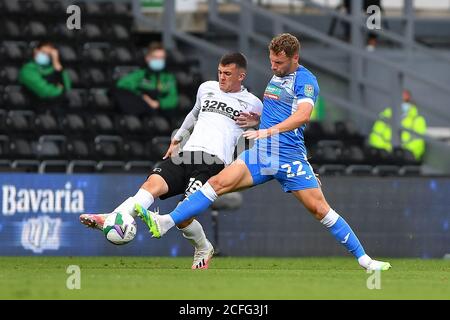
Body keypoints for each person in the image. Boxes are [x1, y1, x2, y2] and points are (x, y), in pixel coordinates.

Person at [136, 33, 392, 271]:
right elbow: (275, 113)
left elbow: (302, 116)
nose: (273, 66)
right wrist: (256, 123)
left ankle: (365, 260)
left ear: (295, 59)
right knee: (216, 183)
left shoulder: (306, 81)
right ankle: (165, 222)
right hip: (262, 153)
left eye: (279, 62)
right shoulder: (276, 76)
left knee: (320, 210)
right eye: (271, 61)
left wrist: (268, 133)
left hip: (289, 157)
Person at [80, 52, 263, 269]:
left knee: (184, 215)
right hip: (186, 153)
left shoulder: (253, 103)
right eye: (220, 72)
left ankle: (204, 247)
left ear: (241, 76)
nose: (222, 77)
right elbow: (194, 114)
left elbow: (268, 128)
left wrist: (257, 121)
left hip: (213, 162)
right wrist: (178, 138)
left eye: (228, 74)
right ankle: (114, 218)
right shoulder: (207, 88)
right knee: (151, 186)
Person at [112, 42, 179, 121]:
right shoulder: (140, 74)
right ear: (147, 58)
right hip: (142, 113)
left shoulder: (168, 77)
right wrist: (143, 95)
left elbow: (173, 99)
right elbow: (121, 84)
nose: (159, 60)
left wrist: (158, 104)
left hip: (163, 115)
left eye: (161, 58)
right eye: (155, 57)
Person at [369, 89, 427, 161]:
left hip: (406, 159)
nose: (403, 104)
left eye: (406, 101)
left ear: (411, 102)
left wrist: (402, 153)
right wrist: (387, 151)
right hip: (384, 157)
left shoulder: (418, 120)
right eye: (401, 101)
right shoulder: (384, 116)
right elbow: (375, 137)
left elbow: (418, 143)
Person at [18, 41, 71, 112]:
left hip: (56, 109)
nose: (45, 56)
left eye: (49, 54)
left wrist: (56, 64)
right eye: (43, 53)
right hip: (37, 110)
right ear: (36, 51)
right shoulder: (28, 70)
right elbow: (44, 91)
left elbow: (67, 87)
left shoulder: (54, 68)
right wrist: (60, 89)